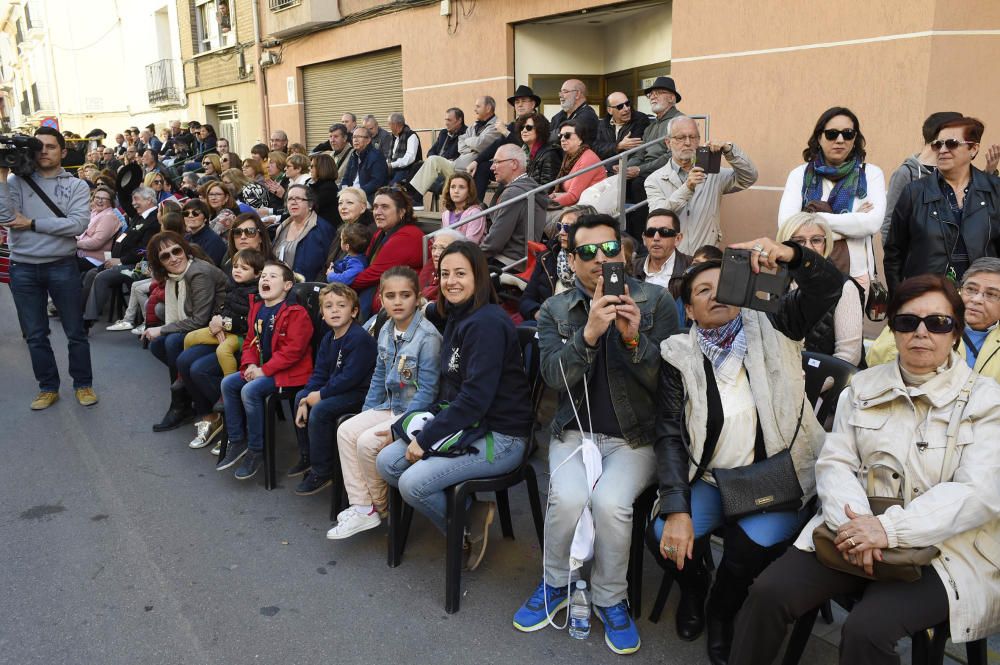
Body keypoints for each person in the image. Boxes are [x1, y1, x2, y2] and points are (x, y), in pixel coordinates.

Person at [730, 273, 1000, 665]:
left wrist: (887, 531)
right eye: (907, 321)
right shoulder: (863, 386)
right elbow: (836, 462)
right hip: (851, 531)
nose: (921, 333)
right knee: (768, 593)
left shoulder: (986, 401)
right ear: (894, 329)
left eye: (938, 323)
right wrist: (854, 528)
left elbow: (979, 493)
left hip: (945, 547)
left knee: (867, 631)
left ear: (955, 332)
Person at [651, 236, 841, 665]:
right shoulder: (677, 355)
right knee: (663, 537)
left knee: (746, 549)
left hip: (775, 476)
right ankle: (695, 590)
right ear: (689, 311)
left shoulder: (775, 324)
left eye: (724, 283)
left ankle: (722, 611)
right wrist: (677, 509)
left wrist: (792, 254)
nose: (715, 293)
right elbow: (669, 435)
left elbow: (829, 287)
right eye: (702, 291)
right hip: (713, 478)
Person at [513, 214, 678, 654]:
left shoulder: (657, 302)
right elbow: (551, 376)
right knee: (566, 498)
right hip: (575, 432)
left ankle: (610, 596)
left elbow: (671, 382)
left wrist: (632, 340)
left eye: (608, 249)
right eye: (586, 252)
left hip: (634, 438)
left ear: (624, 253)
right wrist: (587, 336)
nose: (599, 259)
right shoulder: (555, 308)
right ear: (571, 259)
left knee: (611, 503)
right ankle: (556, 583)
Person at [377, 242, 532, 570]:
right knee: (388, 462)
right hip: (469, 423)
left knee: (412, 482)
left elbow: (475, 399)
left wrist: (426, 437)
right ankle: (470, 511)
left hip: (502, 436)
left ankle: (462, 528)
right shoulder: (459, 315)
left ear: (478, 276)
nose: (450, 281)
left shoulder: (486, 323)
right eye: (444, 274)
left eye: (460, 273)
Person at [331, 266, 442, 537]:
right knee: (347, 430)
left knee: (368, 442)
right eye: (390, 295)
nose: (397, 301)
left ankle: (381, 508)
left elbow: (428, 391)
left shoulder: (428, 338)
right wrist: (366, 413)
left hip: (414, 414)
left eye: (405, 295)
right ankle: (363, 508)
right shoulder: (385, 329)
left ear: (417, 298)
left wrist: (400, 427)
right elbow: (380, 376)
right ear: (381, 298)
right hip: (389, 406)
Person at [1, 126, 96, 409]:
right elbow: (6, 218)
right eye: (38, 146)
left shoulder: (76, 185)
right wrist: (2, 176)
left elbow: (77, 225)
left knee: (75, 331)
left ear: (63, 152)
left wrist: (31, 223)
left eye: (51, 146)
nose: (44, 151)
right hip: (23, 267)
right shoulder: (16, 182)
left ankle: (83, 384)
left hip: (62, 265)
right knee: (35, 334)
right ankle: (48, 387)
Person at [215, 260, 314, 480]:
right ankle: (238, 439)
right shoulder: (258, 308)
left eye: (272, 276)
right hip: (264, 369)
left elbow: (293, 352)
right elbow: (251, 340)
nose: (265, 279)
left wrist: (264, 370)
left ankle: (256, 449)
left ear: (287, 286)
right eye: (263, 276)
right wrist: (250, 365)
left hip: (290, 374)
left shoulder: (296, 312)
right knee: (228, 383)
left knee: (249, 391)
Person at [884, 116, 1000, 292]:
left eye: (952, 143)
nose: (942, 150)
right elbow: (894, 253)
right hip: (927, 298)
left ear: (973, 149)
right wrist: (900, 300)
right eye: (938, 144)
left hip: (979, 300)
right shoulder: (914, 192)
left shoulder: (995, 191)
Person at [779, 106, 886, 288]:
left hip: (855, 275)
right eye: (832, 134)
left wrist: (811, 220)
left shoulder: (870, 174)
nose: (840, 140)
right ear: (819, 137)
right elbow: (786, 225)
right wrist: (852, 222)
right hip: (805, 271)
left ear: (855, 139)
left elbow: (871, 223)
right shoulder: (800, 174)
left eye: (848, 133)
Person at [291, 283, 378, 495]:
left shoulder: (359, 338)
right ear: (322, 313)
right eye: (329, 306)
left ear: (354, 311)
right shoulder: (328, 339)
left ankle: (323, 470)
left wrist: (320, 395)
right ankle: (308, 456)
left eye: (341, 305)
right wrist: (307, 397)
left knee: (320, 410)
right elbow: (320, 373)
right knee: (299, 396)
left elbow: (349, 378)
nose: (335, 310)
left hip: (358, 393)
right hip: (337, 388)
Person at [144, 232, 228, 432]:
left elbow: (199, 320)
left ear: (185, 249)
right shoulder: (175, 278)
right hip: (204, 329)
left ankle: (188, 406)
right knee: (158, 345)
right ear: (160, 262)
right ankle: (185, 397)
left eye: (176, 251)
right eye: (165, 256)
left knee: (171, 342)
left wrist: (161, 328)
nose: (173, 258)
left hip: (221, 330)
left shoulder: (198, 272)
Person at [180, 248, 264, 449]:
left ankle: (226, 389)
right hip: (223, 326)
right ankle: (180, 378)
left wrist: (224, 324)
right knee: (190, 337)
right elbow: (224, 307)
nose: (237, 271)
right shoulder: (233, 286)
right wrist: (216, 320)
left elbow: (247, 322)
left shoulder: (255, 292)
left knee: (222, 351)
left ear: (257, 273)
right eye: (235, 267)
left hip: (238, 334)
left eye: (244, 268)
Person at [867, 257, 1000, 381]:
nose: (976, 299)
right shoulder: (910, 321)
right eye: (971, 289)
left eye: (991, 294)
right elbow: (877, 366)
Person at [645, 116, 758, 254]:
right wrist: (687, 188)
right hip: (671, 258)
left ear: (699, 141)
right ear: (668, 142)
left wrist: (730, 151)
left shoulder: (713, 174)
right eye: (681, 137)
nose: (687, 143)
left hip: (705, 256)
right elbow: (657, 216)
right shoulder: (654, 180)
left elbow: (749, 177)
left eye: (693, 137)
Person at [777, 212, 864, 365]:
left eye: (816, 240)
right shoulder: (778, 283)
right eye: (799, 241)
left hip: (831, 382)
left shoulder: (846, 287)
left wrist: (808, 387)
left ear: (826, 244)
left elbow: (848, 357)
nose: (808, 247)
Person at [82, 186, 160, 327]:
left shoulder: (154, 220)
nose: (133, 203)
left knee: (102, 276)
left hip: (142, 266)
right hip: (120, 261)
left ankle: (88, 320)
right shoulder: (139, 216)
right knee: (92, 273)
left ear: (149, 200)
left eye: (136, 199)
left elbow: (144, 249)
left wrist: (120, 260)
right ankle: (81, 310)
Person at [879, 111, 963, 240]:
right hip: (916, 257)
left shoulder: (953, 170)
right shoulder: (906, 173)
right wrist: (896, 259)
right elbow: (889, 224)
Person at [409, 97, 502, 200]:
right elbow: (461, 146)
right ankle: (415, 198)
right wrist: (473, 146)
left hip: (469, 171)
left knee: (429, 169)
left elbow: (480, 144)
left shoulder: (496, 126)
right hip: (455, 166)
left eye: (478, 107)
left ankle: (416, 200)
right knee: (432, 160)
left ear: (488, 108)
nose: (474, 110)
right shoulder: (474, 125)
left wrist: (470, 142)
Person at [351, 187, 425, 317]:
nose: (377, 212)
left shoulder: (407, 236)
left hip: (400, 303)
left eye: (385, 207)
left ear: (401, 212)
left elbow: (372, 274)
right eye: (375, 207)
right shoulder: (381, 233)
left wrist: (342, 281)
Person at [518, 205, 595, 322]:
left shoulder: (598, 262)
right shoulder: (547, 257)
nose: (561, 232)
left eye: (568, 228)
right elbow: (526, 300)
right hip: (547, 325)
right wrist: (539, 314)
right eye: (560, 226)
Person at [469, 85, 542, 200]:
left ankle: (495, 209)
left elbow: (525, 148)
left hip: (528, 167)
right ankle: (474, 209)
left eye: (523, 101)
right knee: (482, 167)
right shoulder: (514, 125)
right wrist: (476, 161)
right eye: (517, 102)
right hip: (508, 166)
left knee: (501, 190)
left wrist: (505, 132)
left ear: (533, 104)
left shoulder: (539, 122)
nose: (519, 105)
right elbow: (496, 145)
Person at [480, 144, 547, 264]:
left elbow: (495, 241)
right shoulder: (529, 187)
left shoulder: (514, 193)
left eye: (496, 162)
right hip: (518, 259)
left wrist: (472, 256)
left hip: (508, 262)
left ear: (514, 164)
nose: (491, 167)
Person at [272, 184, 336, 281]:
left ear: (310, 204)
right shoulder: (281, 227)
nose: (293, 202)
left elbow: (329, 263)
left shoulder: (323, 229)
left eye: (298, 198)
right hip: (279, 285)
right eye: (290, 199)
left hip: (307, 288)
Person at [632, 208, 691, 299]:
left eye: (664, 232)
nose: (656, 238)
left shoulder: (692, 268)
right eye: (651, 232)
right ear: (644, 238)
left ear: (677, 239)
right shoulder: (631, 268)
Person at [550, 119, 606, 208]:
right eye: (560, 136)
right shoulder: (569, 157)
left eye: (567, 135)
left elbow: (573, 196)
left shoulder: (588, 159)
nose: (562, 139)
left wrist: (544, 204)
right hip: (577, 205)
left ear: (580, 139)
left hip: (590, 209)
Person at [593, 91, 650, 165]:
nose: (626, 109)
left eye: (627, 104)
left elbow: (633, 151)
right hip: (607, 169)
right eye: (620, 107)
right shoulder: (602, 125)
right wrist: (618, 146)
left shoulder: (640, 120)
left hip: (628, 170)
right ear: (610, 110)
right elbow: (596, 149)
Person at [75, 185, 120, 274]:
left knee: (62, 263)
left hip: (95, 259)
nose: (99, 201)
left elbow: (96, 243)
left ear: (110, 202)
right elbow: (81, 234)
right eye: (97, 197)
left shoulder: (109, 217)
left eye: (104, 199)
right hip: (82, 254)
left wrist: (73, 244)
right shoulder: (94, 212)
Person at [339, 127, 389, 204]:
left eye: (359, 137)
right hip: (352, 195)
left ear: (368, 140)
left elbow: (376, 182)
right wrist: (344, 191)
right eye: (354, 137)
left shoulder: (377, 156)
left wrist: (357, 193)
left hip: (368, 196)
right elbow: (346, 178)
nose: (355, 140)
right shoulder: (353, 155)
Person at [547, 79, 599, 148]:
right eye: (560, 92)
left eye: (565, 92)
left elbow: (556, 137)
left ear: (577, 94)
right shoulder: (559, 116)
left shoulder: (588, 116)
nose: (561, 96)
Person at [419, 228, 465, 301]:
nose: (435, 253)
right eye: (434, 248)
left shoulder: (460, 273)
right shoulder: (430, 264)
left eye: (442, 248)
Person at [517, 112, 559, 187]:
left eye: (528, 127)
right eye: (521, 127)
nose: (524, 130)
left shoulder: (549, 154)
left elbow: (548, 188)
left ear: (540, 129)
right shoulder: (522, 152)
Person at [441, 171, 485, 243]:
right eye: (452, 187)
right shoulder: (445, 214)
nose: (456, 191)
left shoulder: (475, 213)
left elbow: (470, 243)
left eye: (461, 187)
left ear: (469, 191)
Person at [182, 199, 227, 267]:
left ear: (205, 218)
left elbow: (209, 269)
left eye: (195, 213)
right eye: (186, 213)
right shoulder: (186, 238)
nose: (190, 216)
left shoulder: (213, 241)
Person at [387, 112, 423, 186]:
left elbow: (410, 158)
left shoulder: (411, 136)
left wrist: (391, 165)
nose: (389, 126)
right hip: (394, 169)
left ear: (396, 125)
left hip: (408, 170)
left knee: (392, 188)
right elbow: (390, 156)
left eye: (389, 124)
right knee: (379, 182)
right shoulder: (394, 137)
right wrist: (386, 164)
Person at [308, 153, 342, 226]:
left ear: (321, 168)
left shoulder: (328, 188)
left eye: (312, 166)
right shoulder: (317, 185)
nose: (309, 169)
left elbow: (310, 208)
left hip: (325, 228)